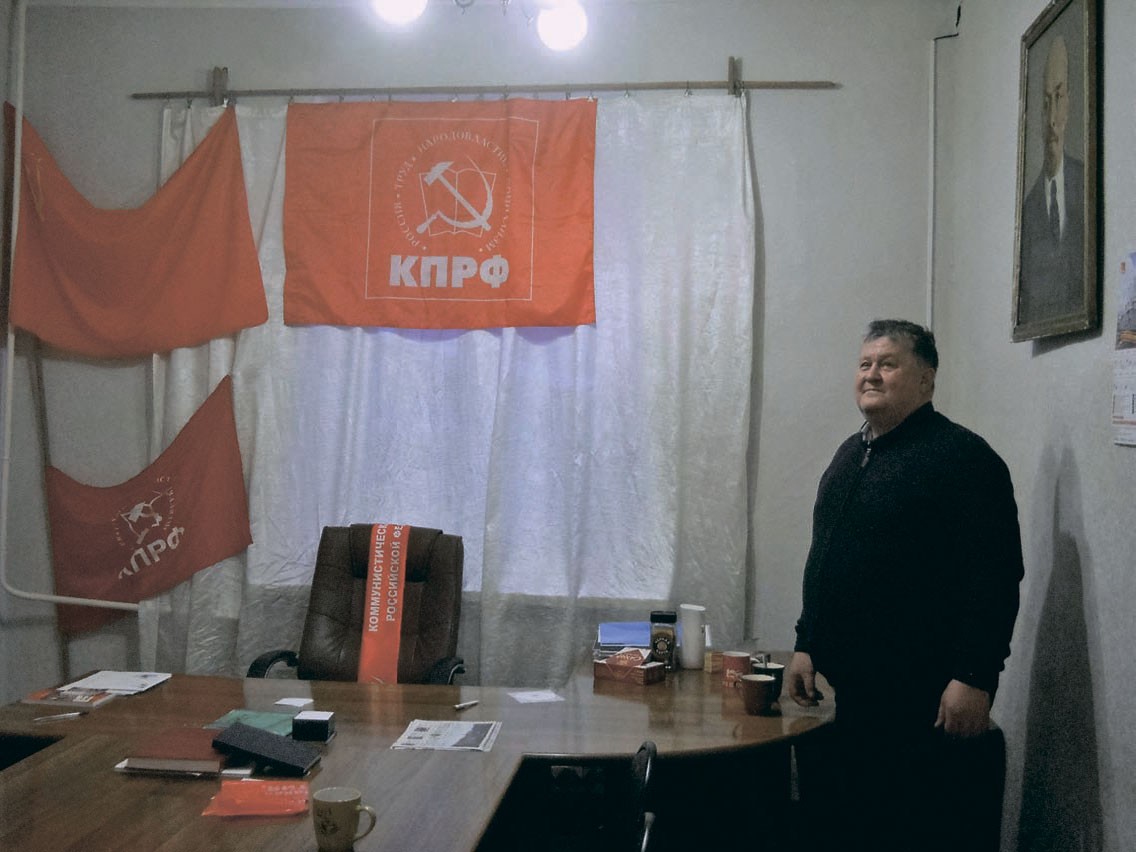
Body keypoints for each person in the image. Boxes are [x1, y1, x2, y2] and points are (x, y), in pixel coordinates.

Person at [787, 319, 1024, 852]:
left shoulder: (964, 459)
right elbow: (823, 559)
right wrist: (807, 642)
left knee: (913, 832)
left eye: (888, 364)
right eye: (865, 364)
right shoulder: (850, 454)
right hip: (851, 700)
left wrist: (974, 675)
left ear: (926, 379)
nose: (871, 374)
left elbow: (995, 574)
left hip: (922, 701)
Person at [1019, 34, 1085, 324]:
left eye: (1058, 98)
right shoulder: (1028, 210)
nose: (1052, 120)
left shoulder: (1087, 187)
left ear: (1069, 102)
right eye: (1046, 103)